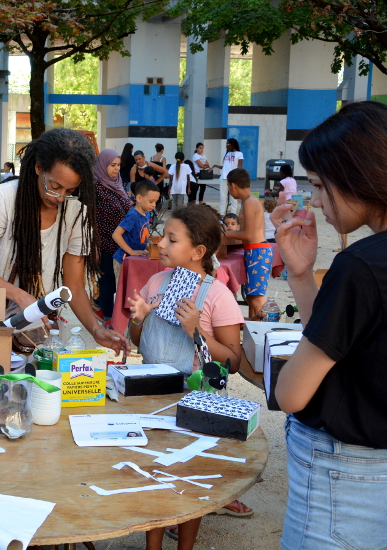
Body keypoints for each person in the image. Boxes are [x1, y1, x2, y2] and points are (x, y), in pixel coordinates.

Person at [271, 101, 387, 549]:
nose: (315, 200)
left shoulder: (361, 265)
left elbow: (292, 394)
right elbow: (349, 346)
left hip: (344, 480)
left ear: (358, 176)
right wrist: (300, 273)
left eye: (319, 185)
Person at [126, 205, 246, 550]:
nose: (160, 243)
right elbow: (139, 341)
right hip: (150, 398)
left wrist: (196, 331)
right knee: (152, 470)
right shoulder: (156, 283)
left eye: (171, 239)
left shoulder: (218, 297)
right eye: (163, 235)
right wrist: (139, 318)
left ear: (198, 252)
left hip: (195, 404)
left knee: (190, 476)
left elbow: (233, 362)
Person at [0, 128, 126, 352]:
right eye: (55, 186)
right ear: (38, 168)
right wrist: (22, 297)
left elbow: (74, 286)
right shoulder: (0, 200)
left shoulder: (76, 213)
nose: (60, 197)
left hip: (35, 331)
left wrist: (95, 329)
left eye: (70, 190)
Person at [224, 168, 272, 320]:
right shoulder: (249, 201)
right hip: (255, 251)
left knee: (257, 299)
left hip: (257, 251)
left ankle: (264, 331)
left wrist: (223, 234)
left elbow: (248, 235)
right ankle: (253, 330)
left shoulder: (250, 203)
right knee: (251, 297)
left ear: (233, 186)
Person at [94, 149, 133, 325]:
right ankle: (108, 316)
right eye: (112, 165)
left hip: (121, 242)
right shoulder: (96, 187)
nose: (116, 169)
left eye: (118, 165)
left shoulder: (118, 183)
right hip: (104, 242)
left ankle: (103, 305)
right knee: (107, 279)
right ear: (103, 165)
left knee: (118, 280)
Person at [112, 179, 159, 265]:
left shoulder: (147, 214)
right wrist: (131, 251)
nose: (154, 205)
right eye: (151, 201)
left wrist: (151, 249)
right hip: (123, 260)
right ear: (139, 198)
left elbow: (141, 237)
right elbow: (116, 235)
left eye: (156, 202)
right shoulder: (133, 215)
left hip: (134, 259)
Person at [213, 138, 243, 214]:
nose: (226, 146)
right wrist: (217, 166)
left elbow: (239, 167)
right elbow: (225, 166)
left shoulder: (239, 154)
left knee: (234, 198)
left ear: (233, 145)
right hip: (223, 177)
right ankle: (222, 215)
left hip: (233, 178)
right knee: (222, 198)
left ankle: (233, 214)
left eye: (228, 144)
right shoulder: (226, 154)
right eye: (226, 144)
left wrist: (239, 178)